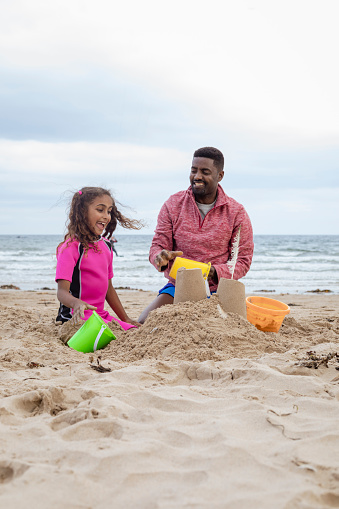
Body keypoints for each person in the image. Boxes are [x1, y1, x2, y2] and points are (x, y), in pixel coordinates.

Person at [138, 147, 254, 323]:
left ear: (220, 176)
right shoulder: (173, 204)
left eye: (205, 172)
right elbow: (157, 247)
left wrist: (213, 272)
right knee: (143, 323)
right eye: (193, 171)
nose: (197, 176)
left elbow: (242, 261)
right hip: (179, 285)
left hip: (219, 289)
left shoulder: (236, 212)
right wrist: (159, 257)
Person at [56, 186, 142, 329]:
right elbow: (62, 292)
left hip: (100, 316)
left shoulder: (107, 246)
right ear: (82, 212)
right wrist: (76, 303)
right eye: (100, 210)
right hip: (76, 318)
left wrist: (125, 318)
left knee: (134, 331)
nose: (106, 216)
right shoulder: (71, 247)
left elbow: (108, 288)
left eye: (109, 211)